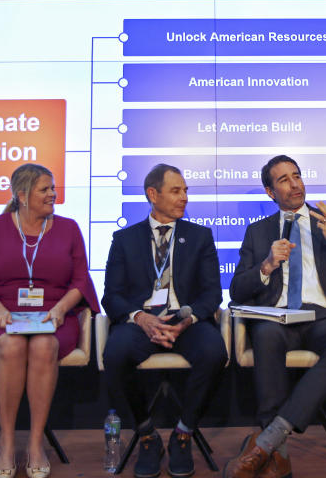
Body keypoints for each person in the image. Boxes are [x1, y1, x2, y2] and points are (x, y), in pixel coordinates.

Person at [0, 163, 99, 478]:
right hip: (1, 312)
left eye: (53, 188)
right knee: (11, 344)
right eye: (45, 189)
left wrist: (61, 309)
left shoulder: (69, 228)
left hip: (53, 312)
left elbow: (80, 283)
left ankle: (35, 443)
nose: (53, 194)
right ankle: (6, 444)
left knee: (45, 345)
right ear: (22, 195)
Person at [224, 155, 326, 478]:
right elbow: (236, 290)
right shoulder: (258, 232)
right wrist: (267, 265)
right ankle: (279, 453)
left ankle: (267, 441)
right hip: (279, 316)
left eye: (297, 176)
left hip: (324, 316)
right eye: (284, 179)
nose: (295, 183)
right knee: (266, 336)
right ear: (270, 192)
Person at [102, 163, 227, 478]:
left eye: (186, 190)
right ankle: (146, 435)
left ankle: (183, 433)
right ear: (152, 194)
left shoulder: (200, 237)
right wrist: (141, 318)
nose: (184, 197)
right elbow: (112, 296)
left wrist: (186, 320)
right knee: (115, 355)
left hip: (185, 322)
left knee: (215, 353)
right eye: (176, 190)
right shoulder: (124, 239)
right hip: (141, 323)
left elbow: (212, 294)